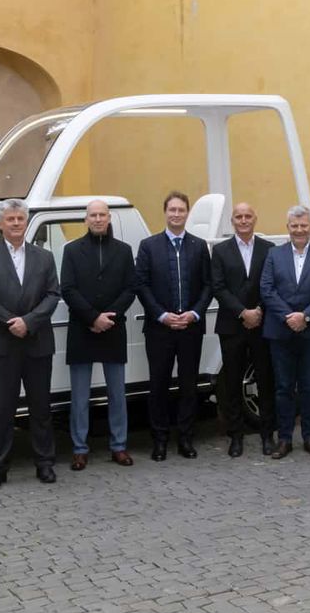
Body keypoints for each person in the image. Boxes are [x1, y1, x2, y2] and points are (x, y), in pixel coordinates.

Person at [0, 198, 60, 490]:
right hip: (1, 344)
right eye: (10, 219)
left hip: (36, 342)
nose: (16, 224)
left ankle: (45, 463)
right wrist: (13, 322)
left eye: (20, 218)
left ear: (27, 221)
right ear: (0, 224)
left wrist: (29, 322)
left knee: (41, 408)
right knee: (2, 410)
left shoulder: (44, 257)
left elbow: (52, 295)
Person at [133, 190, 212, 461]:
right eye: (172, 210)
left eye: (181, 210)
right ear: (165, 213)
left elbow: (208, 285)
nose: (176, 214)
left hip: (190, 327)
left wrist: (194, 313)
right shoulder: (148, 246)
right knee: (159, 386)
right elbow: (141, 285)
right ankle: (160, 440)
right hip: (160, 329)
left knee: (189, 386)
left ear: (187, 213)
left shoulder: (199, 246)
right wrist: (161, 315)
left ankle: (186, 439)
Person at [59, 199, 136, 471]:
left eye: (102, 215)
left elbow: (130, 288)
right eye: (93, 215)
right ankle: (79, 449)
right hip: (82, 329)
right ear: (86, 219)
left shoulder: (124, 251)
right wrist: (92, 317)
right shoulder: (71, 251)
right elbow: (67, 289)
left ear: (109, 218)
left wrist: (108, 318)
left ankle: (119, 446)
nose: (98, 219)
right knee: (80, 396)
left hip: (113, 329)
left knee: (117, 393)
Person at [259, 206, 310, 459]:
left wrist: (305, 316)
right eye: (294, 225)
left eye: (304, 225)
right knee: (283, 387)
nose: (299, 229)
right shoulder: (274, 254)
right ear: (288, 228)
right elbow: (267, 289)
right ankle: (284, 439)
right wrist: (288, 316)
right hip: (281, 332)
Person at [210, 201, 277, 458]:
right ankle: (235, 436)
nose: (244, 220)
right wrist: (242, 312)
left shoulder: (268, 249)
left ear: (255, 219)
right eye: (239, 216)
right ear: (233, 221)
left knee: (265, 380)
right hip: (232, 325)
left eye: (248, 216)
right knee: (232, 382)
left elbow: (270, 284)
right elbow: (218, 287)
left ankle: (267, 435)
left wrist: (258, 310)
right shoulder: (221, 251)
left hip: (262, 324)